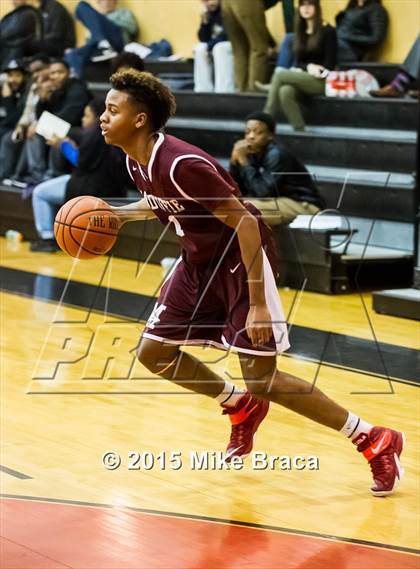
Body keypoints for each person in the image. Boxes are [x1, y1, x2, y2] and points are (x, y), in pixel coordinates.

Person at [99, 68, 405, 496]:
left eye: (112, 110)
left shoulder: (182, 162)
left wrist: (259, 303)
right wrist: (117, 214)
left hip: (240, 263)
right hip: (197, 262)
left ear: (140, 119)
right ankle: (239, 405)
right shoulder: (136, 159)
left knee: (264, 379)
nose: (102, 117)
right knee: (155, 352)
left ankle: (372, 438)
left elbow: (245, 222)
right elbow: (161, 204)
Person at [30, 98, 129, 252]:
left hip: (90, 187)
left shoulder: (95, 134)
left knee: (39, 192)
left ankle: (47, 238)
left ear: (99, 117)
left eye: (87, 116)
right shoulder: (118, 132)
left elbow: (81, 162)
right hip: (114, 188)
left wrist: (63, 145)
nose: (83, 120)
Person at [229, 112, 324, 225]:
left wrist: (244, 162)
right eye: (247, 132)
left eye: (258, 132)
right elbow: (239, 191)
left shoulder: (277, 154)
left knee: (244, 209)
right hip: (277, 200)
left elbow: (262, 193)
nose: (251, 136)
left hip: (303, 204)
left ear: (270, 135)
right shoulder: (250, 152)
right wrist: (234, 162)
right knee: (229, 204)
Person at [262, 0, 336, 131]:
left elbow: (330, 64)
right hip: (303, 76)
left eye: (309, 4)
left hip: (323, 79)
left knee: (280, 75)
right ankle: (300, 130)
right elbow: (299, 62)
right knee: (285, 91)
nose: (305, 8)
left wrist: (315, 68)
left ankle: (264, 121)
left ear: (317, 8)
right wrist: (308, 67)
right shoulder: (299, 33)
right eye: (302, 5)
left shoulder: (328, 31)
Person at [20, 59, 91, 185]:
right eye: (52, 73)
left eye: (60, 72)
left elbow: (70, 116)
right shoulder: (55, 89)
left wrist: (40, 123)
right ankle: (37, 174)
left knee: (45, 131)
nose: (56, 76)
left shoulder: (77, 89)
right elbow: (41, 115)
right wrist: (43, 99)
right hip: (64, 126)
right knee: (34, 130)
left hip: (79, 130)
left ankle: (54, 175)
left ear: (68, 73)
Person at [0, 55, 50, 183]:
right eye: (10, 76)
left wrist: (7, 99)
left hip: (33, 127)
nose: (13, 79)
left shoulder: (28, 89)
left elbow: (15, 118)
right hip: (17, 126)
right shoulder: (6, 87)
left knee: (8, 137)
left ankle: (6, 175)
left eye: (17, 75)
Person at [65, 0, 139, 78]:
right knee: (72, 54)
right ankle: (75, 81)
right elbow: (90, 39)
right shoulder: (93, 19)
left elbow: (132, 29)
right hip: (99, 48)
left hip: (116, 42)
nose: (101, 2)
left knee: (81, 6)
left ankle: (104, 44)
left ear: (114, 2)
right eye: (99, 1)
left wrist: (103, 20)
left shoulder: (122, 12)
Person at [221, 0, 272, 92]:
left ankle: (242, 95)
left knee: (240, 51)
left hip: (226, 4)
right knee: (259, 49)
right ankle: (254, 94)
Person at [194, 0, 234, 93]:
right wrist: (205, 23)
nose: (208, 3)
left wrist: (209, 46)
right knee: (200, 48)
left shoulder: (227, 9)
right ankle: (202, 89)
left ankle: (224, 90)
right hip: (216, 44)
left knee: (219, 48)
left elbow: (228, 34)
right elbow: (203, 38)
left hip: (235, 43)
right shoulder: (209, 13)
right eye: (204, 1)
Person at [0, 0, 43, 69]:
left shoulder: (29, 13)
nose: (14, 1)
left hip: (19, 53)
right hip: (7, 52)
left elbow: (14, 32)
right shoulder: (12, 15)